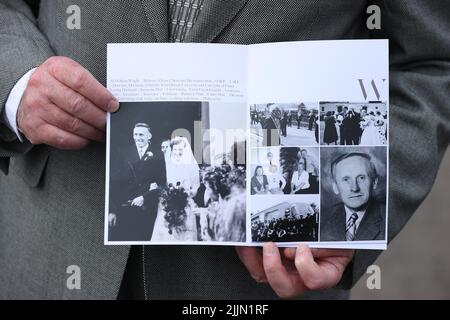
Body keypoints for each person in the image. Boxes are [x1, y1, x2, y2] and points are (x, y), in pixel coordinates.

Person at [0, 0, 448, 301]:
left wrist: (344, 217)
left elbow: (431, 61)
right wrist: (16, 82)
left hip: (261, 275)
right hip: (50, 245)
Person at [109, 123, 166, 241]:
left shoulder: (159, 155)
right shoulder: (123, 153)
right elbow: (113, 184)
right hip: (125, 209)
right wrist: (112, 211)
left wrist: (145, 197)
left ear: (149, 136)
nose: (137, 137)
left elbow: (163, 183)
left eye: (141, 134)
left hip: (147, 210)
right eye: (135, 134)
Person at [321, 153, 386, 241]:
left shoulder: (388, 218)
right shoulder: (323, 219)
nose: (354, 188)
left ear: (374, 182)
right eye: (346, 179)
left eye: (361, 178)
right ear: (335, 187)